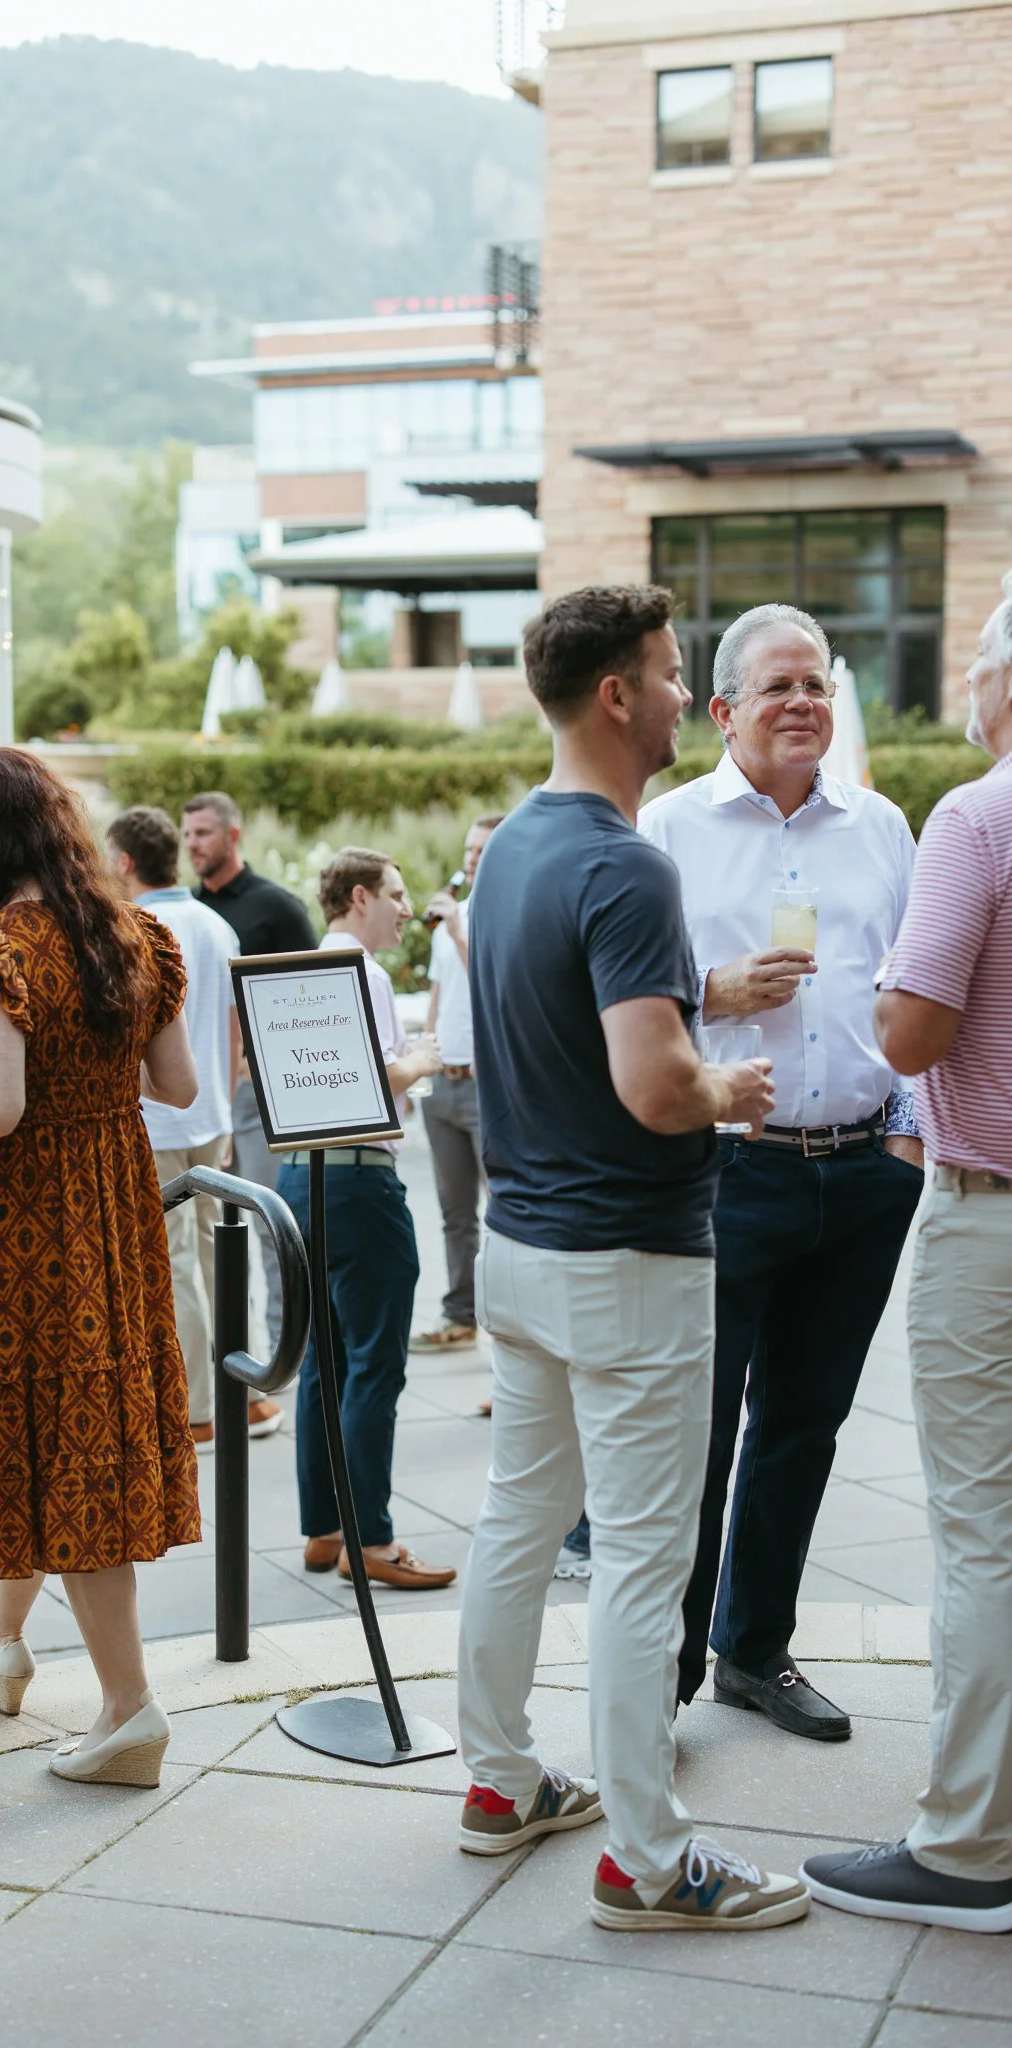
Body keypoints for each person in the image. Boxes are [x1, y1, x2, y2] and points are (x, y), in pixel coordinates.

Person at [457, 584, 809, 1932]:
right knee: (645, 1561)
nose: (680, 697)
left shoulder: (514, 853)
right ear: (614, 694)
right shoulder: (625, 861)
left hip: (520, 1247)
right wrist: (726, 1085)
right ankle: (647, 1863)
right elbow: (655, 1086)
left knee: (512, 1521)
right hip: (630, 1262)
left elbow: (575, 998)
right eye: (668, 675)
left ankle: (497, 1786)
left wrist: (699, 994)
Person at [641, 602, 922, 1740]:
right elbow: (616, 999)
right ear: (722, 710)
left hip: (862, 1173)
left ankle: (755, 1649)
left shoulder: (883, 827)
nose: (805, 702)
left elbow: (918, 985)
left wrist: (905, 1133)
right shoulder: (665, 828)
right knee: (695, 1433)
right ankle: (652, 1685)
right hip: (724, 1169)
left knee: (804, 1424)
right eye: (778, 687)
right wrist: (713, 992)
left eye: (817, 684)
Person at [0, 748, 201, 1788]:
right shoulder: (140, 935)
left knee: (54, 1428)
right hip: (118, 1204)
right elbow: (175, 1085)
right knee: (75, 1416)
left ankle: (127, 1708)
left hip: (33, 1217)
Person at [803, 584, 1012, 1932]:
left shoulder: (975, 816)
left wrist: (880, 977)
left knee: (981, 1532)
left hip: (989, 1218)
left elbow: (909, 1032)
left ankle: (967, 1847)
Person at [276, 847, 453, 1591]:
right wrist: (422, 1058)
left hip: (298, 1179)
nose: (408, 910)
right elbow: (375, 1077)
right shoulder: (365, 975)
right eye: (398, 894)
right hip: (359, 1181)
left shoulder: (293, 971)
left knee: (323, 1359)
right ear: (359, 897)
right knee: (376, 1361)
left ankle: (323, 1529)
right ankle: (371, 1538)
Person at [106, 805, 281, 1442]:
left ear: (125, 862)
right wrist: (230, 1099)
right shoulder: (213, 923)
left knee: (176, 1265)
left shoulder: (136, 926)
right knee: (219, 1258)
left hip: (158, 1120)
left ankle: (201, 1409)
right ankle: (253, 1394)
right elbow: (236, 1027)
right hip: (210, 1113)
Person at [185, 788, 315, 1380]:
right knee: (215, 1234)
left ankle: (292, 1356)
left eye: (204, 833)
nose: (194, 845)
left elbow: (311, 998)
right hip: (202, 1099)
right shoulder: (186, 912)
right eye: (187, 835)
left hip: (260, 1095)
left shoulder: (277, 909)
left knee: (272, 1225)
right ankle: (233, 1357)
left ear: (232, 836)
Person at [409, 813, 503, 1354]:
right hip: (443, 1083)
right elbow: (441, 997)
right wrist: (425, 1051)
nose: (471, 858)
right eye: (469, 849)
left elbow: (492, 977)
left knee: (503, 1208)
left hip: (488, 1082)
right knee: (453, 1209)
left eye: (483, 849)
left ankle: (506, 1328)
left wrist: (457, 932)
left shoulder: (500, 915)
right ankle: (460, 1314)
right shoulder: (454, 921)